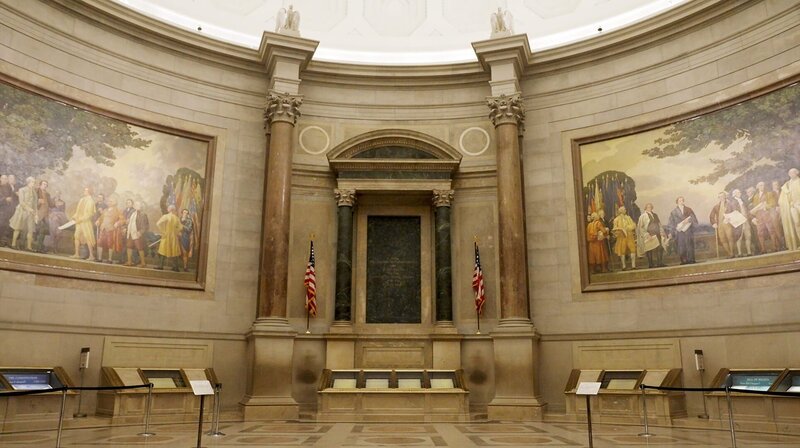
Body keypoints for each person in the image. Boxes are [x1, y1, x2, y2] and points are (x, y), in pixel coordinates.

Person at [750, 181, 783, 253]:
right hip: (759, 216)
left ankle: (775, 247)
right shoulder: (755, 197)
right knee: (760, 233)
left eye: (763, 185)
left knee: (771, 230)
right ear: (757, 187)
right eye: (760, 185)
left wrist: (766, 206)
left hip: (767, 215)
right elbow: (754, 207)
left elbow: (773, 204)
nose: (762, 187)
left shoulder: (769, 194)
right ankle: (763, 249)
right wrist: (755, 214)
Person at [9, 176, 37, 251]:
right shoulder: (22, 190)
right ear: (28, 182)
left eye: (34, 182)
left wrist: (35, 213)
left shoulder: (34, 192)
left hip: (31, 213)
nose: (34, 184)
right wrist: (29, 209)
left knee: (30, 230)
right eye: (33, 182)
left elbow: (35, 204)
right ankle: (13, 244)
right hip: (21, 211)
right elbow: (21, 202)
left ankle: (29, 247)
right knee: (17, 228)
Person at [669, 196, 698, 264]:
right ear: (677, 202)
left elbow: (693, 218)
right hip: (680, 231)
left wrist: (689, 220)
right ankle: (683, 260)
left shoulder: (688, 209)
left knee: (689, 244)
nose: (681, 202)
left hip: (688, 230)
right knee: (681, 245)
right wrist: (671, 232)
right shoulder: (673, 212)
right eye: (679, 201)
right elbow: (671, 223)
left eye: (682, 200)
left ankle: (691, 259)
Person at [709, 191, 739, 258]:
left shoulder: (730, 204)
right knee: (723, 240)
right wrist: (713, 223)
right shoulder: (716, 206)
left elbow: (735, 212)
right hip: (720, 225)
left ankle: (732, 253)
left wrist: (729, 218)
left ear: (725, 196)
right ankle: (729, 253)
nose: (721, 198)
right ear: (718, 198)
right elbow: (711, 216)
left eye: (722, 196)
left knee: (730, 238)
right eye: (720, 197)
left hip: (728, 224)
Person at [71, 187, 97, 261]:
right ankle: (76, 254)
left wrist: (81, 219)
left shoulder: (91, 201)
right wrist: (74, 216)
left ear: (89, 192)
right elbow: (78, 211)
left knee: (88, 238)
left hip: (86, 223)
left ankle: (91, 256)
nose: (84, 191)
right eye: (84, 190)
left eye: (86, 190)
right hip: (79, 223)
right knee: (76, 236)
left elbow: (89, 214)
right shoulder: (82, 200)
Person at [637, 203, 665, 268]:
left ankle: (659, 263)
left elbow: (659, 224)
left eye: (650, 207)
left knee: (660, 248)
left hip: (657, 233)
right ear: (645, 208)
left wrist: (661, 231)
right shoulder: (643, 216)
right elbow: (641, 227)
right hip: (649, 235)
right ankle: (651, 264)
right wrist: (647, 235)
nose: (649, 208)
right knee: (649, 249)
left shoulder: (655, 215)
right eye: (648, 207)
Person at [95, 198, 124, 263]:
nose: (109, 202)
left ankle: (110, 259)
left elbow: (122, 220)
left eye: (111, 201)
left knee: (110, 243)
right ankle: (99, 258)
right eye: (108, 201)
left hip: (111, 229)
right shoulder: (105, 210)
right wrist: (98, 221)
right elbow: (101, 218)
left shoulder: (118, 210)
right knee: (100, 242)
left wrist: (118, 223)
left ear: (115, 202)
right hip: (103, 228)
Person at [778, 168, 800, 250]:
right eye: (789, 173)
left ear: (796, 173)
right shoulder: (787, 184)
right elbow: (782, 198)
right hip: (793, 206)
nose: (790, 174)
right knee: (797, 223)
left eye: (792, 172)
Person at [156, 205, 182, 271]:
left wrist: (163, 232)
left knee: (162, 250)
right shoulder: (176, 218)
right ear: (174, 210)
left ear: (169, 210)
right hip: (174, 237)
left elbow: (158, 224)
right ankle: (176, 267)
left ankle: (160, 266)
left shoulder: (166, 216)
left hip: (166, 236)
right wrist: (176, 232)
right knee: (174, 251)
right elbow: (180, 227)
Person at [124, 201, 149, 267]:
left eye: (137, 205)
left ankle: (143, 263)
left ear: (140, 206)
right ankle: (129, 261)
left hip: (137, 234)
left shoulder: (143, 214)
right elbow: (129, 222)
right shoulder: (132, 213)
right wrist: (126, 226)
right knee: (129, 247)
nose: (136, 206)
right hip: (131, 233)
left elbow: (145, 226)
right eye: (135, 205)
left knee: (140, 248)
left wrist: (140, 232)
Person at [32, 180, 55, 253]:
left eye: (46, 185)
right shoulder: (36, 191)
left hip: (45, 215)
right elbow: (31, 201)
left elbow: (51, 204)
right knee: (37, 230)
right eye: (44, 184)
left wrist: (55, 203)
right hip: (37, 213)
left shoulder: (47, 194)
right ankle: (36, 247)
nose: (45, 186)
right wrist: (38, 201)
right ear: (40, 185)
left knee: (43, 231)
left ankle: (39, 247)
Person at [612, 206, 637, 270]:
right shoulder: (616, 219)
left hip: (629, 236)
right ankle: (624, 266)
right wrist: (620, 229)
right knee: (622, 251)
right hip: (621, 237)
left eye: (625, 209)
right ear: (621, 211)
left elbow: (633, 225)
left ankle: (633, 265)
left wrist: (628, 227)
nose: (625, 210)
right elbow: (614, 228)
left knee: (632, 249)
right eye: (624, 209)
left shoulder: (628, 218)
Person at [731, 189, 753, 257]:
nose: (740, 193)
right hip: (739, 221)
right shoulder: (733, 202)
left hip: (746, 220)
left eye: (740, 192)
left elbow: (747, 209)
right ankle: (740, 253)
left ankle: (749, 251)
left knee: (748, 235)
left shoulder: (742, 200)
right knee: (739, 237)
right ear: (734, 194)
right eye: (738, 192)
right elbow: (734, 212)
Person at [0, 174, 17, 246]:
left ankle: (2, 240)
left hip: (6, 210)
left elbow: (11, 197)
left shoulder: (8, 187)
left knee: (5, 225)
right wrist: (5, 199)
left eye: (6, 179)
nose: (4, 180)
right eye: (3, 178)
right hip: (1, 209)